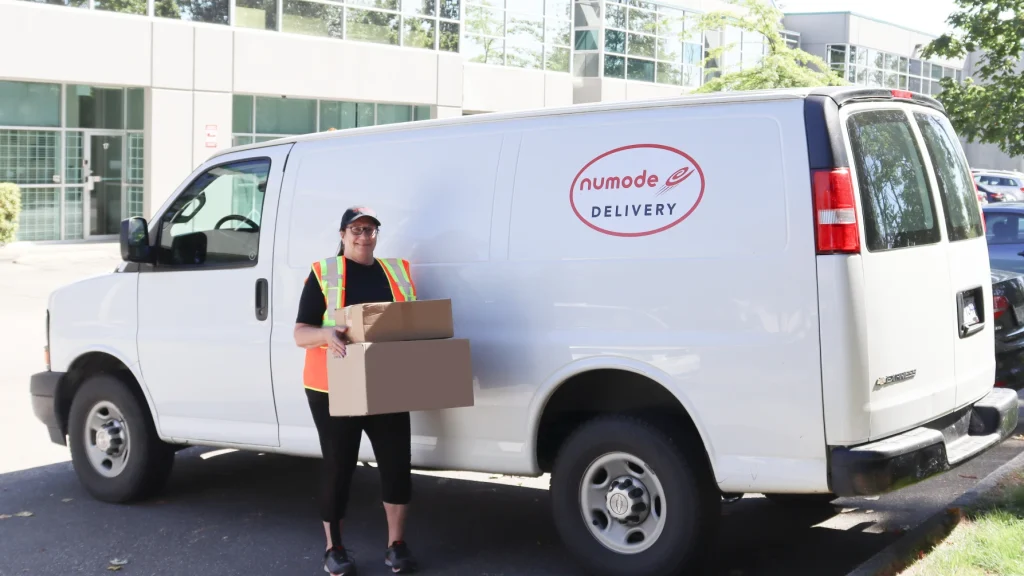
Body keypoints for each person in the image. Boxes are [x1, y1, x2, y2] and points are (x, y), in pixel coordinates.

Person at [293, 206, 420, 575]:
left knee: (397, 464)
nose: (365, 237)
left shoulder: (396, 272)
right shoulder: (324, 273)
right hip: (331, 386)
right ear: (343, 234)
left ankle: (396, 544)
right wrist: (325, 335)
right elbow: (300, 332)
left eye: (371, 230)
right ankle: (334, 549)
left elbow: (410, 321)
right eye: (357, 229)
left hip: (386, 381)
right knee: (338, 467)